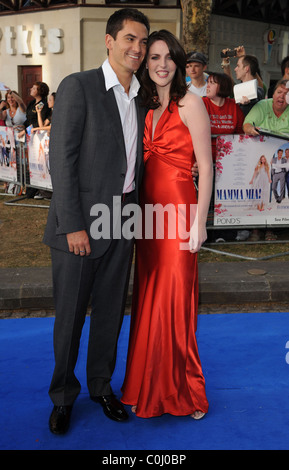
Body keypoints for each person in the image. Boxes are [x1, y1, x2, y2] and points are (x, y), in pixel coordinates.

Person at [43, 8, 150, 435]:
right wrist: (72, 225)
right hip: (80, 224)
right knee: (70, 317)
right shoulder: (79, 86)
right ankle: (63, 398)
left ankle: (102, 387)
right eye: (129, 39)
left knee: (110, 313)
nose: (137, 49)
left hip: (123, 219)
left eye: (142, 41)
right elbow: (61, 161)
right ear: (109, 41)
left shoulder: (143, 96)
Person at [121, 30, 213, 420]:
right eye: (153, 57)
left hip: (179, 214)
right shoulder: (144, 107)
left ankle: (185, 391)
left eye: (167, 57)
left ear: (177, 63)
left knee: (175, 301)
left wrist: (200, 223)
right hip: (147, 218)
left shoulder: (191, 103)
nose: (160, 64)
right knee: (148, 298)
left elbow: (206, 166)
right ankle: (146, 385)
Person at [18, 81, 50, 199]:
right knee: (28, 163)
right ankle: (31, 188)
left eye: (34, 88)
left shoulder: (44, 104)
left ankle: (39, 189)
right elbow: (28, 120)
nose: (31, 89)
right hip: (28, 135)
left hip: (38, 137)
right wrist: (23, 127)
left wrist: (26, 131)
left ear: (40, 91)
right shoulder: (31, 103)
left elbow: (37, 123)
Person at [203, 72, 244, 161]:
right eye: (208, 82)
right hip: (204, 157)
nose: (207, 86)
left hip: (228, 158)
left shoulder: (234, 106)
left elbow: (240, 134)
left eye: (212, 83)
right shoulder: (201, 103)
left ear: (222, 86)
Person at [222, 47, 265, 115]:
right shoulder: (238, 89)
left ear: (246, 69)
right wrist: (225, 62)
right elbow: (229, 83)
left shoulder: (258, 91)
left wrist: (249, 101)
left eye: (238, 66)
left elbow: (258, 92)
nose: (235, 69)